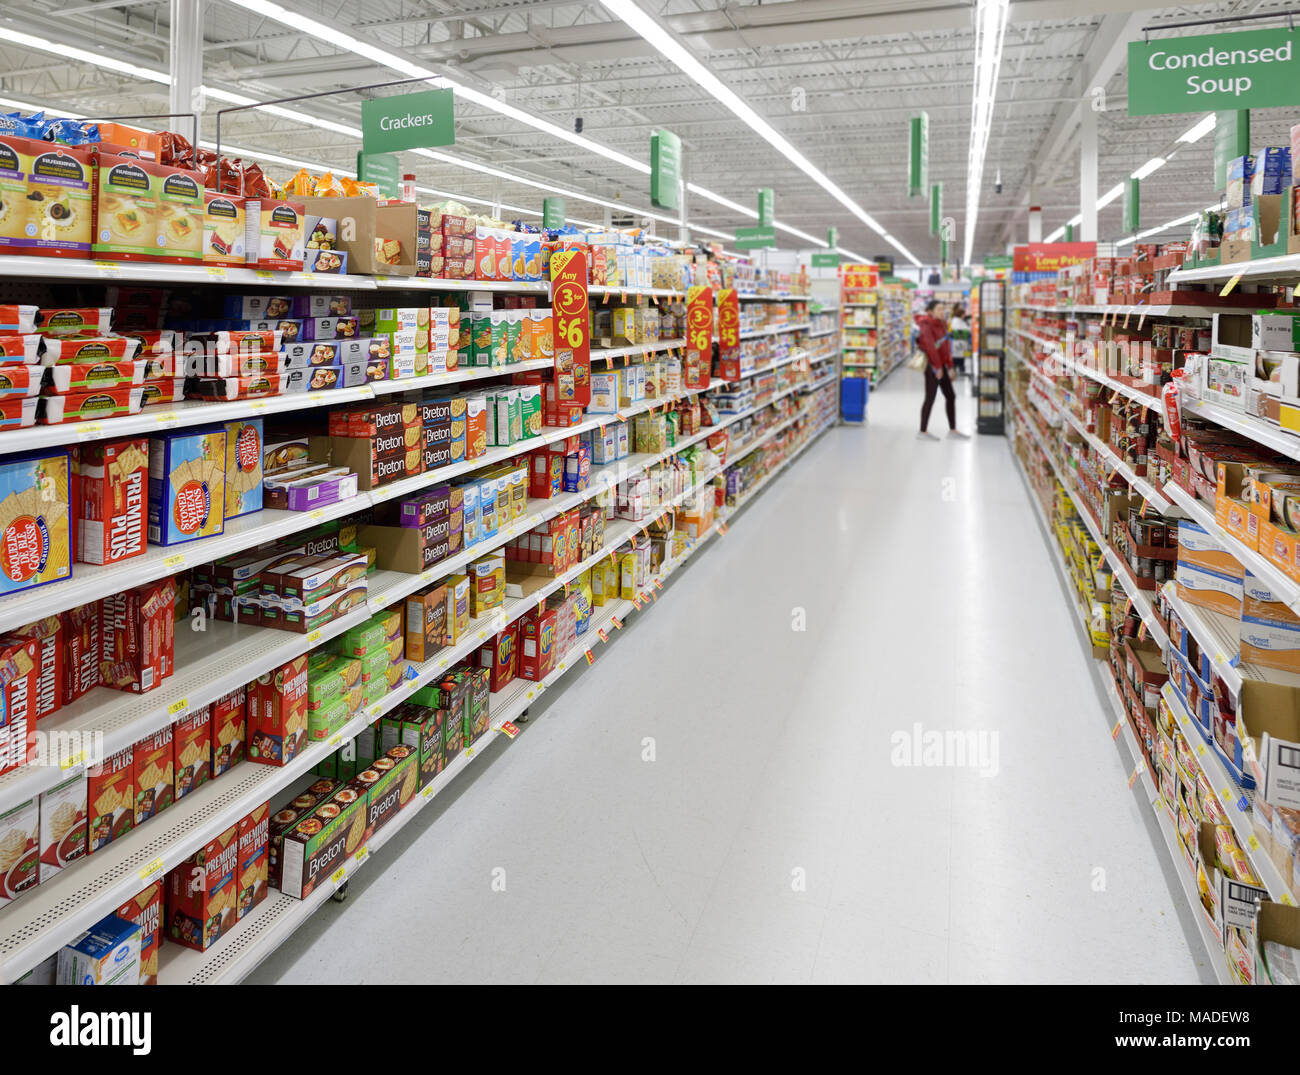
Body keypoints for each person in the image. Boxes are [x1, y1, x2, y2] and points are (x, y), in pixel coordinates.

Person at [914, 300, 968, 440]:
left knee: (950, 395)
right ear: (930, 311)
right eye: (939, 309)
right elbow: (931, 348)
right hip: (932, 366)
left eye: (943, 309)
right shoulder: (926, 325)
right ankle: (922, 431)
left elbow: (945, 346)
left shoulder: (943, 324)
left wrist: (950, 366)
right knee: (930, 397)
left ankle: (953, 430)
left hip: (942, 365)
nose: (942, 311)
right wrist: (937, 367)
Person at [948, 302, 970, 377]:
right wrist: (967, 332)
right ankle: (956, 369)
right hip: (958, 342)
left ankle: (961, 369)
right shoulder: (955, 320)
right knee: (957, 356)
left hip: (962, 342)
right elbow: (957, 330)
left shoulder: (960, 320)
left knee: (961, 356)